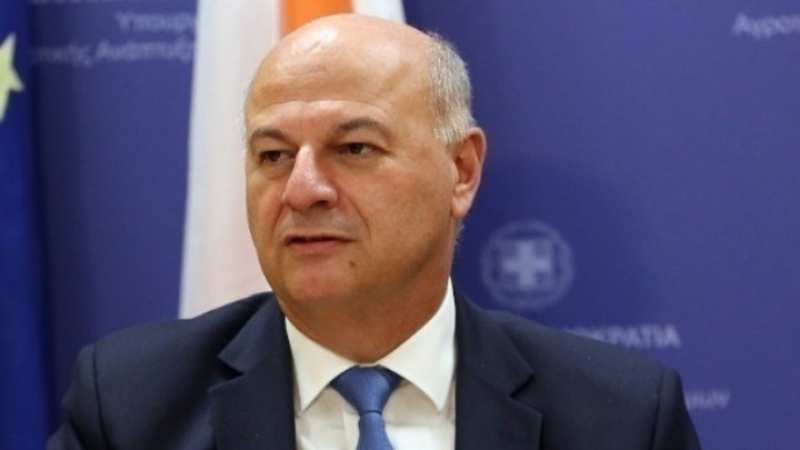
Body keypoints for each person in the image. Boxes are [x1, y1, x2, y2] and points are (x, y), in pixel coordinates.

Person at [48, 14, 701, 450]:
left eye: (354, 148)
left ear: (461, 171)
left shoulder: (619, 418)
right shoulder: (131, 408)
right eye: (273, 155)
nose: (302, 189)